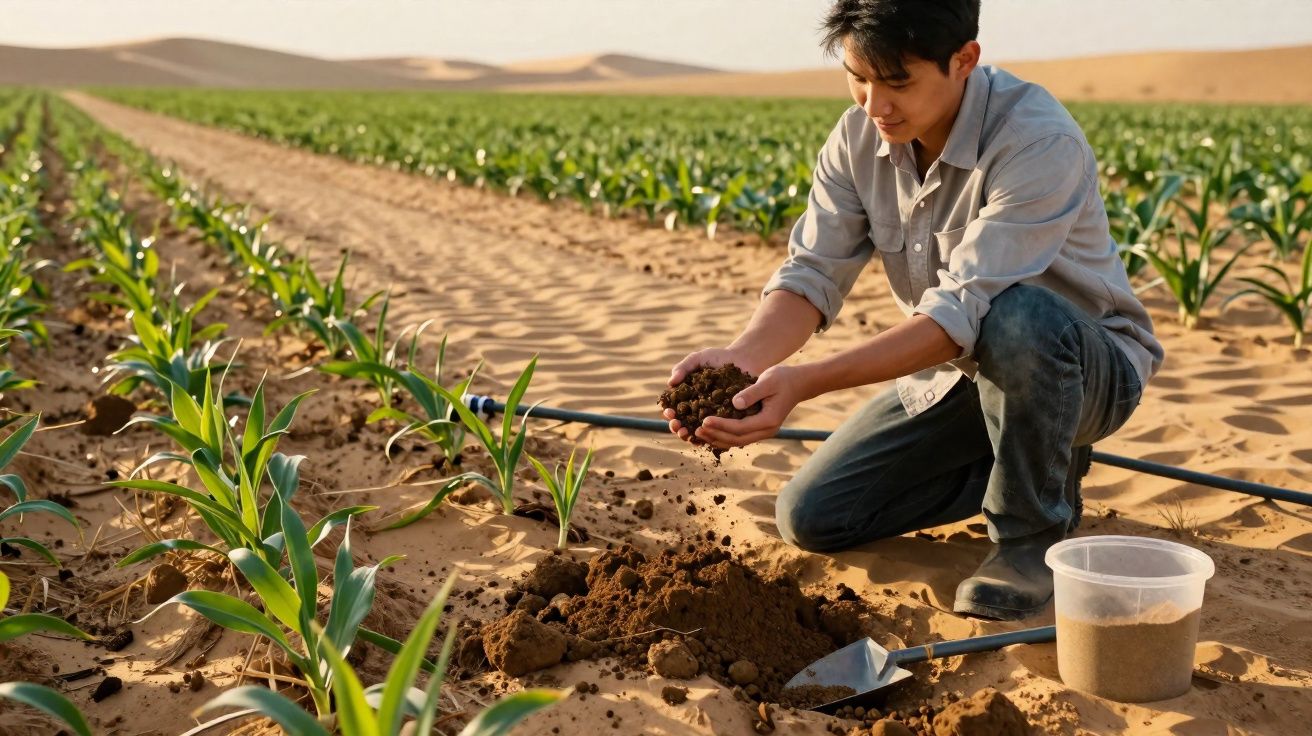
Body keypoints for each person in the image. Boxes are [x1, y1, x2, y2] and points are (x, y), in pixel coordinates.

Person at [662, 0, 1163, 621]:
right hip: (959, 372)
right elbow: (813, 272)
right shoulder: (857, 137)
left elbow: (963, 312)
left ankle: (1030, 536)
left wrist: (806, 382)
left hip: (1083, 371)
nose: (875, 105)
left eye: (897, 82)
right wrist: (743, 359)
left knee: (1016, 315)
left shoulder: (1037, 139)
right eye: (858, 78)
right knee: (814, 516)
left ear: (964, 60)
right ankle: (1031, 457)